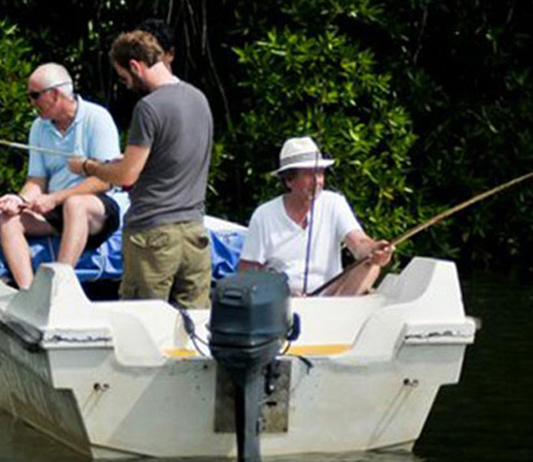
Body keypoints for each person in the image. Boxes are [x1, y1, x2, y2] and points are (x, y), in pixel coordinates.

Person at [67, 30, 213, 308]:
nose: (125, 84)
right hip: (195, 233)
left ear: (135, 66)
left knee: (142, 324)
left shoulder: (148, 108)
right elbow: (173, 156)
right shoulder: (199, 99)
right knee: (193, 330)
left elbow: (126, 175)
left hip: (152, 235)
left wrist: (88, 166)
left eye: (124, 77)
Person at [0, 63, 121, 289]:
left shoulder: (97, 118)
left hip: (96, 210)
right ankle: (28, 292)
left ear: (54, 95)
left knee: (75, 204)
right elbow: (37, 179)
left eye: (35, 96)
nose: (31, 103)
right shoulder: (38, 127)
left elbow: (106, 179)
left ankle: (59, 287)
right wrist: (20, 200)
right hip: (57, 210)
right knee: (7, 219)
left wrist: (55, 198)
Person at [238, 136, 393, 296]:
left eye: (320, 173)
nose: (317, 181)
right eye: (308, 174)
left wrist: (375, 250)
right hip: (283, 303)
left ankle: (337, 312)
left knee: (370, 263)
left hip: (333, 296)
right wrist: (279, 294)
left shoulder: (334, 203)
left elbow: (359, 243)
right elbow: (246, 271)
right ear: (289, 180)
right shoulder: (264, 215)